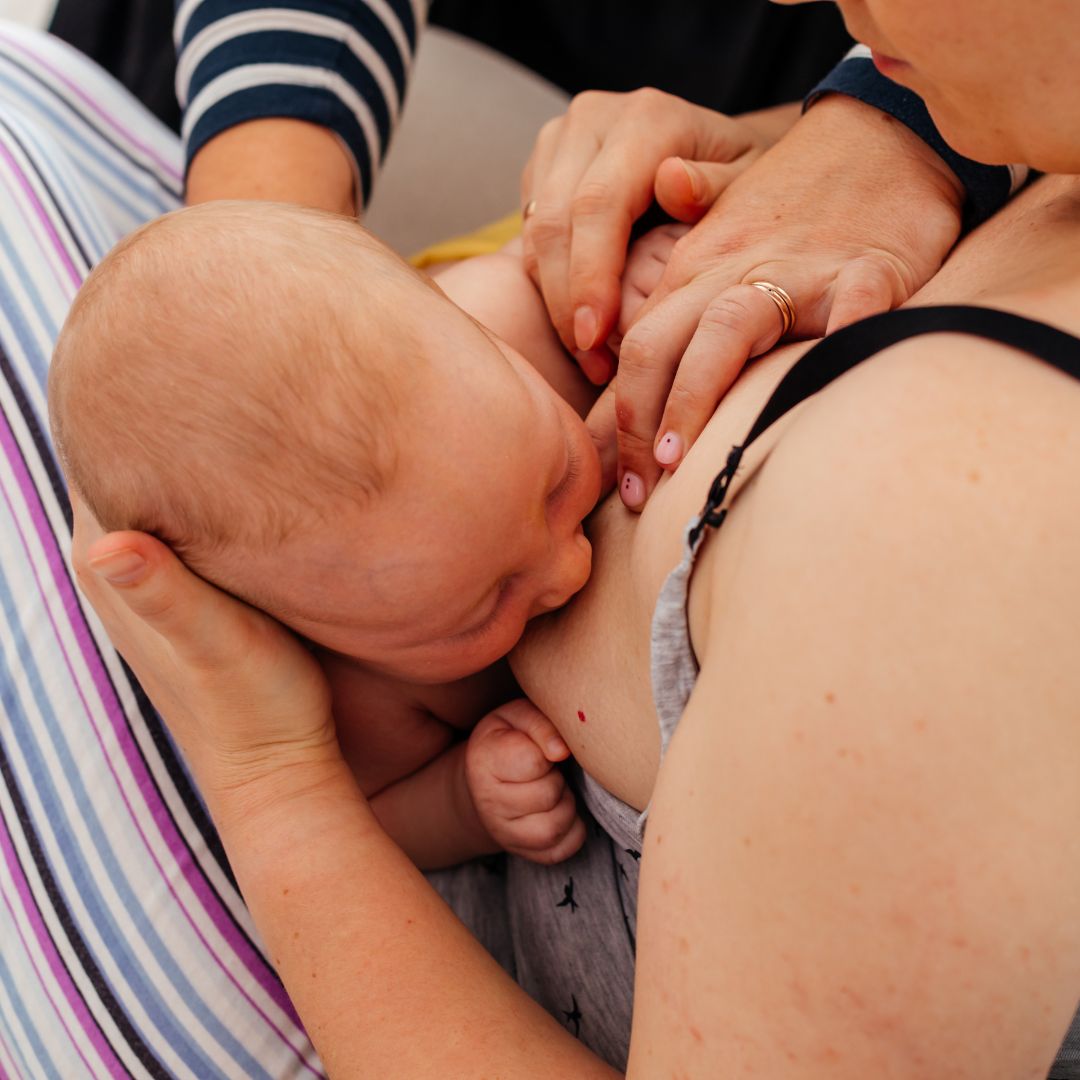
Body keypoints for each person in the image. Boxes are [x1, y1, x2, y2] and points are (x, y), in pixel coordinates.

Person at [73, 0, 1080, 1076]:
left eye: (563, 482)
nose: (569, 563)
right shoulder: (981, 124)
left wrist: (269, 781)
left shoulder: (956, 535)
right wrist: (876, 117)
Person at [50, 199, 607, 869]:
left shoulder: (515, 307)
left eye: (558, 480)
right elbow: (377, 823)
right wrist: (463, 801)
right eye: (483, 606)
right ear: (284, 618)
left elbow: (589, 246)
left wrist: (636, 280)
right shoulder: (350, 695)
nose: (568, 569)